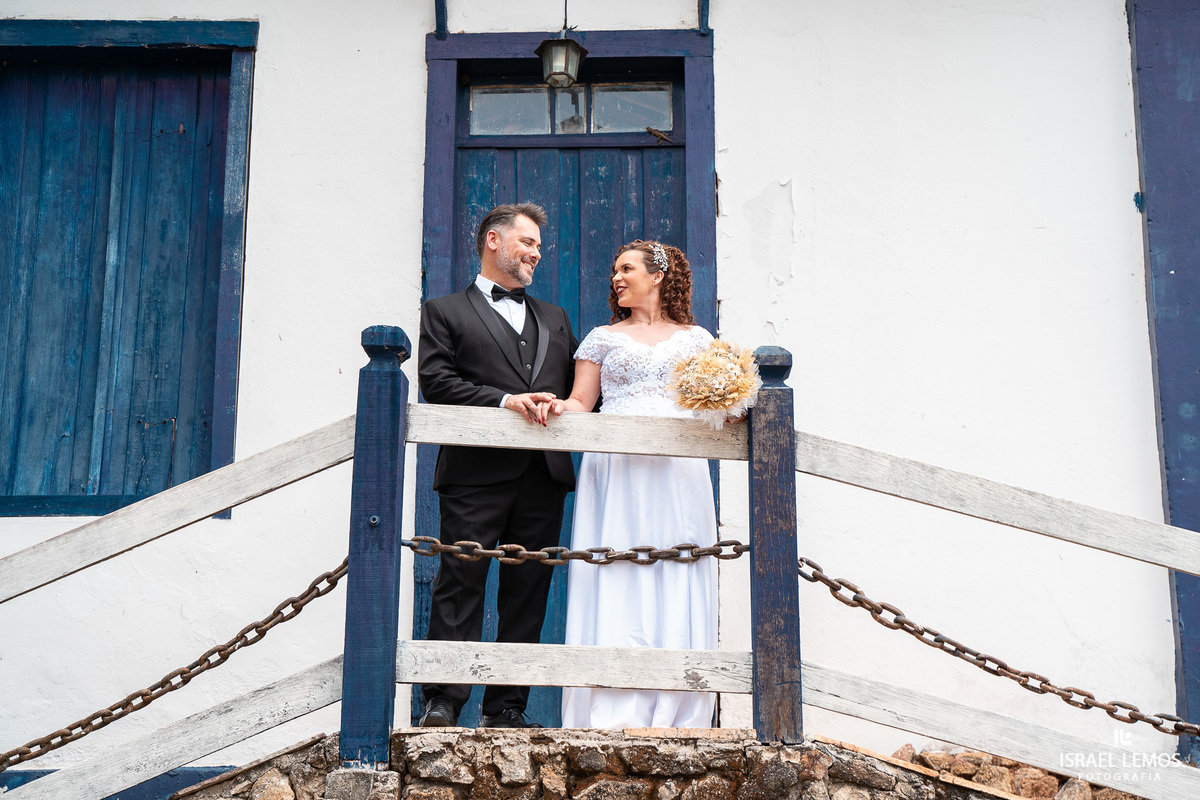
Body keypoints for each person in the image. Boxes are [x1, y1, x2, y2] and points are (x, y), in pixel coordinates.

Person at [416, 202, 579, 729]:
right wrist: (505, 400)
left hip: (542, 476)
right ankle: (442, 701)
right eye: (527, 242)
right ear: (493, 241)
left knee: (528, 592)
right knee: (460, 582)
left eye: (538, 246)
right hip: (473, 474)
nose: (536, 253)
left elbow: (582, 396)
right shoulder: (443, 311)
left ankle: (507, 707)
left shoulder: (555, 318)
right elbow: (436, 382)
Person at [547, 239, 718, 729]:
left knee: (678, 559)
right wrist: (556, 408)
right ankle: (608, 701)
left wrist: (736, 407)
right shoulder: (602, 337)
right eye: (614, 271)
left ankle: (679, 701)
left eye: (627, 269)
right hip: (616, 465)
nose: (616, 278)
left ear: (658, 274)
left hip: (678, 469)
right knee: (615, 561)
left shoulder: (697, 340)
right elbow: (581, 403)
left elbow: (713, 407)